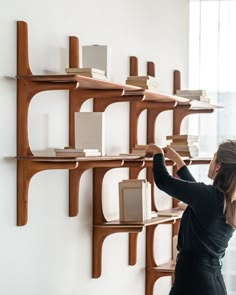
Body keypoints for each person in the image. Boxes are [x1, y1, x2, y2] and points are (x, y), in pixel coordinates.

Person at [145, 140, 236, 295]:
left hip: (194, 280)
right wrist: (178, 161)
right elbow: (196, 193)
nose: (210, 162)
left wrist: (157, 153)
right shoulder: (227, 201)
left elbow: (163, 181)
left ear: (219, 166)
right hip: (214, 283)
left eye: (213, 159)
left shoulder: (208, 197)